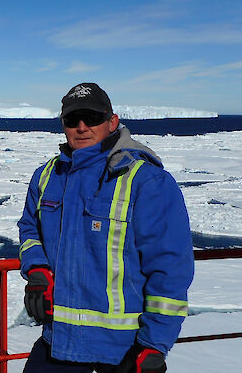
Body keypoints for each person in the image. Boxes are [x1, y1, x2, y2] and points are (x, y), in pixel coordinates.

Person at [18, 83, 194, 373]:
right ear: (63, 125)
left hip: (124, 351)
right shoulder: (47, 176)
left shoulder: (145, 180)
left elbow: (170, 269)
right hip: (58, 344)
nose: (82, 127)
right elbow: (29, 229)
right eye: (73, 120)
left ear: (112, 121)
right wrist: (37, 271)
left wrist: (154, 345)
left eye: (92, 117)